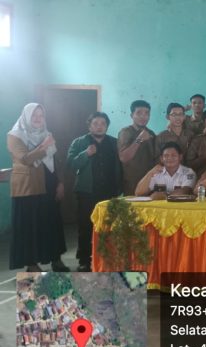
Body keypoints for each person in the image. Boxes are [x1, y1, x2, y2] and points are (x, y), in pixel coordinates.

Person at [7, 103, 69, 272]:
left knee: (51, 223)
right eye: (34, 115)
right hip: (28, 187)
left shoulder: (47, 134)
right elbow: (25, 159)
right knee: (30, 226)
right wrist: (44, 146)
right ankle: (32, 264)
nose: (37, 119)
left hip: (49, 184)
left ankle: (56, 259)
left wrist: (60, 182)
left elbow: (56, 160)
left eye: (41, 115)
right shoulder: (15, 136)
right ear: (26, 116)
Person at [67, 111, 121, 272]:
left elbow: (120, 166)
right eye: (95, 123)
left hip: (110, 192)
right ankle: (85, 260)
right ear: (89, 126)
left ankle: (107, 259)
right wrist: (85, 154)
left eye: (103, 124)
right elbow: (71, 164)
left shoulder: (114, 143)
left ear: (107, 126)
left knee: (109, 227)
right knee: (86, 226)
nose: (99, 127)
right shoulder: (79, 142)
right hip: (87, 192)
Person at [117, 99, 156, 195]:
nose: (143, 116)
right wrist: (139, 139)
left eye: (146, 113)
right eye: (139, 113)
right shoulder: (126, 132)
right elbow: (124, 158)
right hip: (131, 184)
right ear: (132, 115)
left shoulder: (151, 133)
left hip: (149, 183)